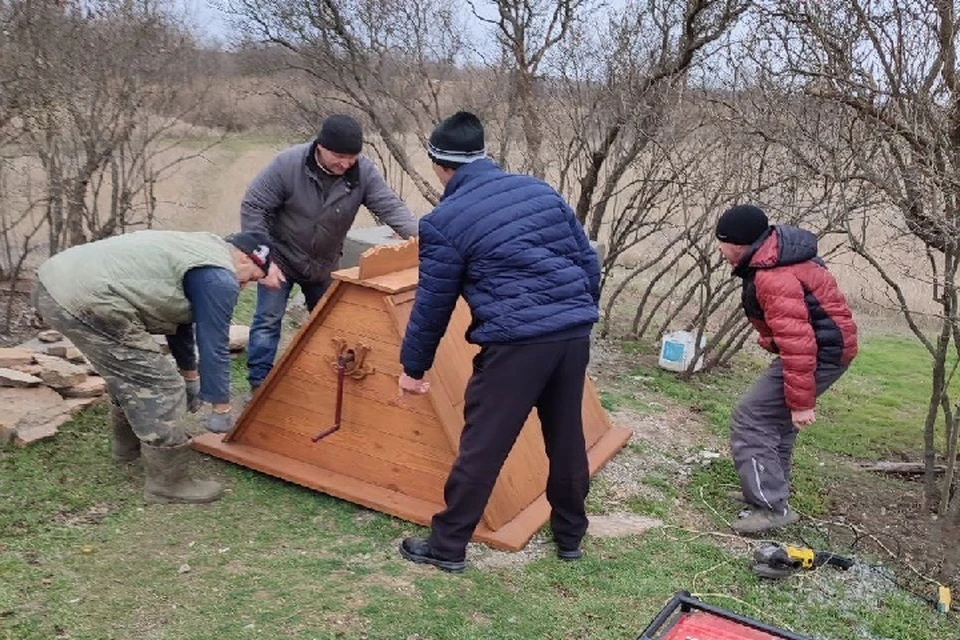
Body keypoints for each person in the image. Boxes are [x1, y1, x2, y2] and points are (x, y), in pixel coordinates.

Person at [395, 111, 601, 572]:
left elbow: (433, 304)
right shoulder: (539, 190)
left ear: (439, 164)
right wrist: (580, 310)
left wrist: (413, 368)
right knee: (566, 437)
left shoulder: (444, 221)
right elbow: (588, 261)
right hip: (572, 334)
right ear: (483, 155)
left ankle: (447, 547)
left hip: (516, 344)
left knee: (483, 445)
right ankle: (570, 537)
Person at [33, 230, 273, 504]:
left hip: (52, 282)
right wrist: (221, 406)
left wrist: (191, 376)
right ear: (244, 257)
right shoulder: (219, 278)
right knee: (161, 385)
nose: (244, 287)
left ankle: (127, 448)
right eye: (252, 278)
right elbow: (214, 343)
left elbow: (180, 320)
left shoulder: (202, 250)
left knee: (131, 373)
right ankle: (168, 484)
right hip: (85, 298)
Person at [240, 114, 418, 393]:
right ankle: (258, 384)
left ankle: (328, 383)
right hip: (281, 259)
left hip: (324, 263)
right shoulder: (287, 165)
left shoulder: (364, 172)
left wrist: (424, 239)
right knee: (267, 321)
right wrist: (263, 260)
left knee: (332, 327)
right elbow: (254, 207)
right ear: (320, 146)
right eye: (338, 156)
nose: (346, 163)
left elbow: (392, 209)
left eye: (352, 157)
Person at [716, 204, 858, 534]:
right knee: (774, 422)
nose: (720, 251)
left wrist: (802, 403)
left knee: (751, 417)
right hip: (825, 350)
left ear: (737, 243)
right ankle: (769, 491)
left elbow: (799, 343)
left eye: (721, 243)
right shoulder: (774, 257)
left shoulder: (773, 274)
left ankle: (769, 505)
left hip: (818, 354)